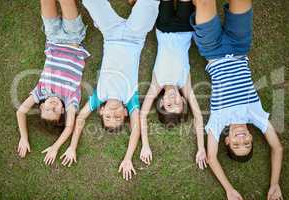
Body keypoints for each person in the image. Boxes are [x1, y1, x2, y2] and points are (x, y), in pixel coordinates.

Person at [190, 0, 283, 199]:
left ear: (227, 141)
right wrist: (275, 183)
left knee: (205, 3)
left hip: (212, 49)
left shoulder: (217, 123)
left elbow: (212, 158)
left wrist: (229, 189)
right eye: (247, 144)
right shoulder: (256, 116)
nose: (241, 140)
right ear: (251, 137)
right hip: (239, 45)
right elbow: (277, 147)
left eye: (236, 144)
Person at [59, 0, 159, 181]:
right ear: (126, 113)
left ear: (101, 110)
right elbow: (136, 129)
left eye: (107, 117)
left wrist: (72, 147)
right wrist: (128, 158)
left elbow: (80, 118)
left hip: (110, 33)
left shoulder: (99, 96)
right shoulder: (130, 99)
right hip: (135, 37)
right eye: (118, 117)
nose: (113, 114)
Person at [16, 0, 90, 166]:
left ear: (41, 107)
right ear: (63, 109)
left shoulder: (41, 91)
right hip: (74, 38)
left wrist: (24, 137)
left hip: (53, 37)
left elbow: (20, 112)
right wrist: (56, 147)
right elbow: (69, 126)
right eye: (55, 110)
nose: (52, 105)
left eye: (47, 108)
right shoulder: (71, 98)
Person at [139, 0, 207, 169]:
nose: (173, 99)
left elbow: (142, 115)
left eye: (169, 104)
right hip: (185, 29)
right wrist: (201, 148)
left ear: (161, 102)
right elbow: (198, 116)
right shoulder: (185, 84)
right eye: (178, 104)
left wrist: (145, 145)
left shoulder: (157, 84)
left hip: (163, 28)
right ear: (184, 102)